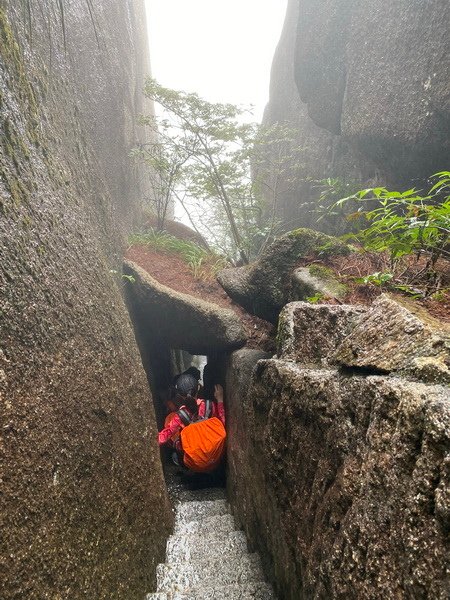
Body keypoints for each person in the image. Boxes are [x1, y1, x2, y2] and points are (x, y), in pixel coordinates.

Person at [158, 373, 225, 467]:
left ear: (180, 395)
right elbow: (222, 423)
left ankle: (181, 461)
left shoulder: (180, 416)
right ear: (198, 388)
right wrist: (220, 400)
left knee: (171, 423)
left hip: (195, 464)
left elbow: (165, 436)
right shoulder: (209, 406)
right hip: (215, 458)